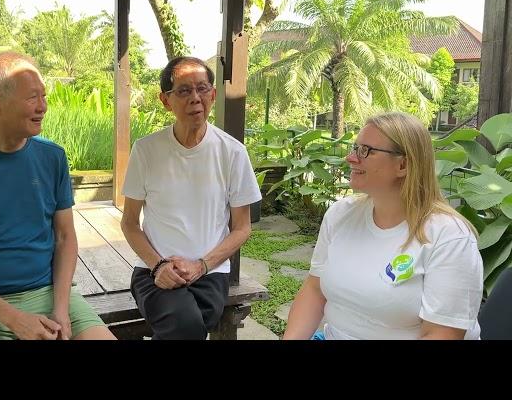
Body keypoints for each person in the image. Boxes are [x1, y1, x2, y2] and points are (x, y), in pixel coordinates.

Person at [0, 51, 115, 340]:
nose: (43, 107)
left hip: (48, 294)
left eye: (44, 96)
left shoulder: (53, 157)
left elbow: (65, 237)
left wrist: (61, 309)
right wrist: (14, 319)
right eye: (32, 98)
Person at [283, 112, 483, 340]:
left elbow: (441, 334)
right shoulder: (341, 215)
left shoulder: (449, 237)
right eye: (354, 148)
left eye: (366, 151)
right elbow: (315, 290)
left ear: (403, 165)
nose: (351, 158)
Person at [120, 56, 261, 340]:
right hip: (153, 272)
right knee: (187, 326)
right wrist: (159, 265)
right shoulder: (146, 150)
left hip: (209, 272)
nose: (195, 98)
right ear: (165, 100)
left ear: (213, 94)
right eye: (184, 90)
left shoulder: (232, 153)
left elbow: (242, 227)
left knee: (185, 325)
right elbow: (130, 224)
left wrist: (201, 265)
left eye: (202, 88)